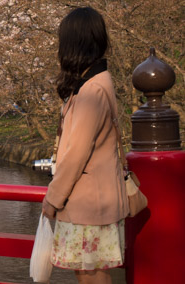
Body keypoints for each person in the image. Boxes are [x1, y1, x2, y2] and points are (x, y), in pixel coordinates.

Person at [42, 7, 128, 284]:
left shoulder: (91, 90)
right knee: (90, 270)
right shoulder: (97, 82)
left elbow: (75, 154)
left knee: (91, 273)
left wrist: (53, 198)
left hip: (89, 202)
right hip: (95, 198)